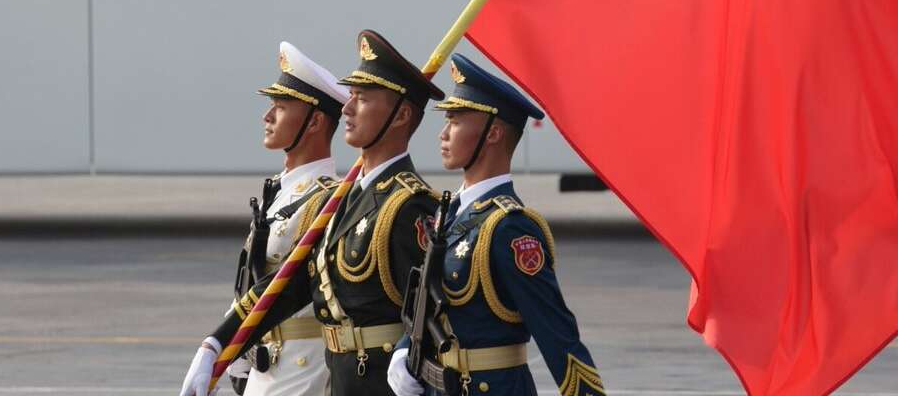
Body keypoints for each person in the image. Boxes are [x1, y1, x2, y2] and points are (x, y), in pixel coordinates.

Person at [181, 30, 444, 396]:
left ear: (400, 116)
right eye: (351, 96)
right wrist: (216, 344)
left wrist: (406, 353)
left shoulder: (409, 205)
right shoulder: (346, 200)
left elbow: (434, 310)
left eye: (362, 99)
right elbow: (290, 284)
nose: (348, 109)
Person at [387, 54, 606, 396]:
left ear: (493, 132)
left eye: (456, 120)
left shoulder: (510, 228)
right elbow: (430, 299)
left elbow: (556, 333)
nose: (443, 134)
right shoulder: (450, 213)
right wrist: (405, 346)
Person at [223, 41, 351, 395]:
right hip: (263, 362)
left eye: (280, 107)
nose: (267, 116)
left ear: (315, 122)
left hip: (301, 369)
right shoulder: (279, 191)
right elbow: (253, 276)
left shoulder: (327, 199)